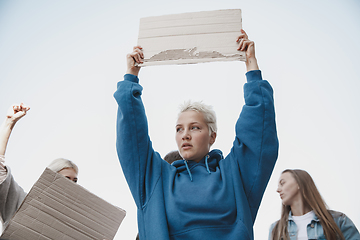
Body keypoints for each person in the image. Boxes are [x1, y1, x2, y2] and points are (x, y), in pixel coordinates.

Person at [114, 29, 278, 239]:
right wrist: (131, 78)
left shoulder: (234, 175)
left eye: (195, 127)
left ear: (212, 136)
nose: (185, 135)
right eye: (179, 129)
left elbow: (259, 134)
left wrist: (251, 66)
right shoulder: (157, 180)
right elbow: (131, 141)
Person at [0, 103, 79, 229]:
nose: (71, 184)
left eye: (75, 181)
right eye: (66, 178)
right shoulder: (21, 201)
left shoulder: (73, 222)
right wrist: (9, 123)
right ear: (49, 179)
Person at [269, 169, 360, 240]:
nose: (278, 190)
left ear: (299, 184)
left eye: (282, 183)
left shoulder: (338, 220)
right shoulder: (276, 229)